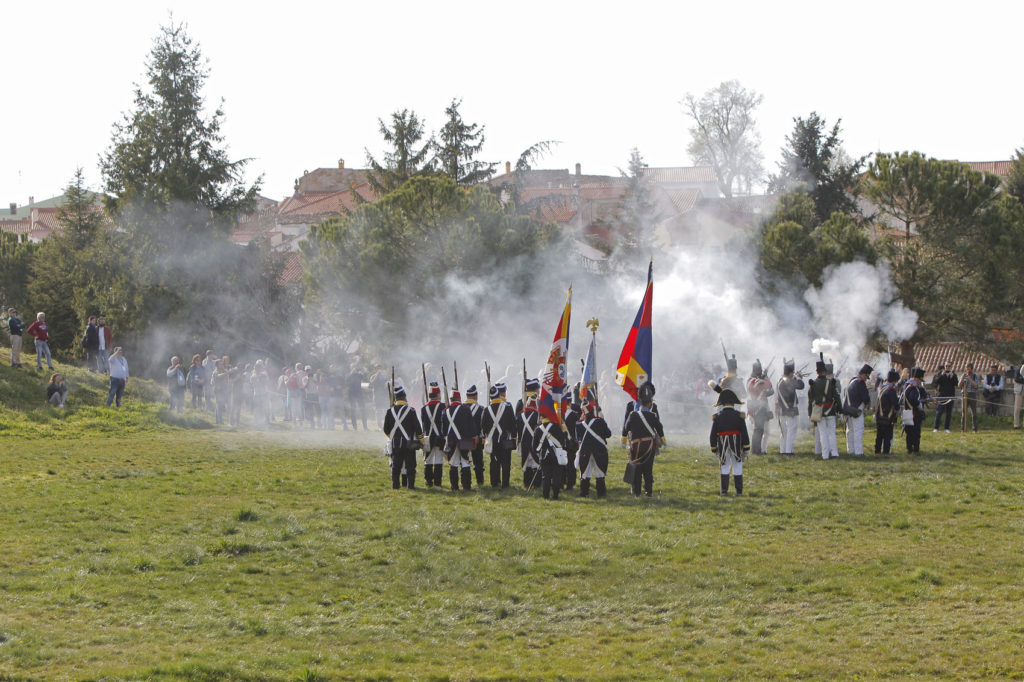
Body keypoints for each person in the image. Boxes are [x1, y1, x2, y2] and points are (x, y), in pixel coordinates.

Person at [624, 381, 665, 497]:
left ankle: (637, 493)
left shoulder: (632, 415)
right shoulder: (653, 416)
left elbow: (626, 428)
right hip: (649, 447)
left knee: (637, 470)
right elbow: (660, 429)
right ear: (650, 402)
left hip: (635, 446)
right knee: (648, 470)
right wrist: (663, 440)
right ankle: (648, 493)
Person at [710, 388, 750, 495]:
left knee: (724, 466)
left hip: (722, 445)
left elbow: (713, 434)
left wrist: (714, 447)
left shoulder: (717, 417)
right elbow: (744, 433)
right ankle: (739, 491)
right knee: (737, 466)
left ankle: (724, 491)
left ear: (722, 403)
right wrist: (746, 447)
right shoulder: (739, 416)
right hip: (736, 445)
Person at [383, 385, 423, 490]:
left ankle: (395, 486)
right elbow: (418, 429)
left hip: (396, 443)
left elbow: (386, 429)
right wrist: (421, 441)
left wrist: (393, 437)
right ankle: (410, 486)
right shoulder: (411, 411)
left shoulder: (389, 411)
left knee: (396, 466)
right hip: (409, 443)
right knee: (410, 466)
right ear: (404, 397)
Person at [480, 383, 517, 489]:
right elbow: (512, 424)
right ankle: (505, 484)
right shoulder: (507, 408)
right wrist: (514, 436)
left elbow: (483, 426)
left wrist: (487, 436)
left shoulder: (486, 410)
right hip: (505, 439)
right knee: (506, 463)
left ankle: (494, 482)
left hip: (493, 440)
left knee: (494, 462)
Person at [575, 398, 611, 498]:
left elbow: (578, 438)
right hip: (599, 451)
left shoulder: (579, 425)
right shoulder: (600, 421)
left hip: (585, 451)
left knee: (585, 474)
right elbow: (608, 434)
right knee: (599, 473)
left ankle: (584, 494)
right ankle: (601, 494)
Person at [807, 356, 840, 459]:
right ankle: (834, 453)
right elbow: (837, 397)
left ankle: (825, 455)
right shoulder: (831, 383)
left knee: (823, 434)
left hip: (819, 412)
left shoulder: (813, 385)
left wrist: (809, 413)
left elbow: (810, 401)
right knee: (832, 433)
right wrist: (839, 408)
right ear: (825, 372)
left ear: (817, 372)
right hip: (830, 411)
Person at [445, 389, 478, 491]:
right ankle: (466, 486)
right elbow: (471, 426)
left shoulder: (445, 411)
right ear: (459, 398)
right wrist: (474, 437)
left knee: (453, 464)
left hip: (451, 441)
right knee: (465, 463)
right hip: (466, 440)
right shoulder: (466, 409)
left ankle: (454, 487)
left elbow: (444, 430)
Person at [420, 382, 448, 488]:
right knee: (438, 459)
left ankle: (428, 481)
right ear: (438, 394)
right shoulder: (443, 406)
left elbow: (423, 423)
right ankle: (437, 482)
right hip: (440, 437)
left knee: (428, 460)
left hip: (428, 437)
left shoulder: (424, 408)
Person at [534, 413, 567, 500]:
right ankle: (555, 496)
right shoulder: (556, 427)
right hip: (556, 455)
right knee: (556, 476)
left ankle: (546, 496)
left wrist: (538, 452)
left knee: (546, 476)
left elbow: (534, 446)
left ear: (541, 417)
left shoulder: (538, 429)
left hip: (544, 455)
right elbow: (562, 441)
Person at [775, 359, 804, 455]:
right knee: (791, 431)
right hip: (790, 409)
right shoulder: (789, 381)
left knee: (784, 432)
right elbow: (801, 385)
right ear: (790, 372)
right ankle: (788, 451)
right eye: (792, 372)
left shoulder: (780, 380)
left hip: (782, 410)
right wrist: (798, 378)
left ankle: (783, 450)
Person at [745, 359, 774, 454]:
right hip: (759, 407)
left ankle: (759, 449)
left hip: (754, 406)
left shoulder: (750, 380)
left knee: (760, 430)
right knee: (759, 430)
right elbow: (768, 385)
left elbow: (770, 390)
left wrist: (764, 377)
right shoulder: (756, 381)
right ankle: (756, 450)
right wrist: (766, 377)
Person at [844, 364, 873, 456]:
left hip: (849, 409)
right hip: (857, 410)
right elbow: (865, 398)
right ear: (863, 374)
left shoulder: (852, 381)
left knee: (850, 430)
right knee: (858, 430)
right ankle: (858, 451)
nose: (866, 378)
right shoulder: (860, 383)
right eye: (866, 376)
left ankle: (850, 450)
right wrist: (868, 404)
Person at [463, 385, 486, 485]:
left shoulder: (461, 408)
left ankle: (465, 482)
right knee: (478, 462)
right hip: (477, 438)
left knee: (464, 461)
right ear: (476, 396)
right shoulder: (481, 409)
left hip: (465, 439)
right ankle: (480, 481)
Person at [518, 393, 542, 489]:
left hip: (524, 443)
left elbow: (519, 431)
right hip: (535, 443)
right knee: (535, 464)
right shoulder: (538, 416)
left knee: (527, 463)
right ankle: (536, 484)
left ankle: (527, 483)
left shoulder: (521, 416)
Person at [902, 367, 927, 453]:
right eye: (920, 379)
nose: (920, 381)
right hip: (914, 413)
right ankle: (915, 449)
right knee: (915, 432)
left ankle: (909, 448)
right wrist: (919, 406)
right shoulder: (913, 387)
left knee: (909, 432)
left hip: (907, 412)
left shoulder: (907, 385)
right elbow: (914, 400)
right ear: (916, 378)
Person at [874, 369, 900, 454]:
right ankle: (886, 451)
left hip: (879, 415)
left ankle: (877, 450)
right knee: (887, 435)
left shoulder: (882, 387)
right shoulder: (891, 390)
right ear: (894, 381)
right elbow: (895, 404)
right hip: (888, 416)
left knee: (879, 435)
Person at [931, 364, 958, 433]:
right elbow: (936, 382)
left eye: (949, 366)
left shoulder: (954, 375)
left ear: (951, 367)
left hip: (950, 396)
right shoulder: (940, 374)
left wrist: (953, 377)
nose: (947, 367)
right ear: (944, 367)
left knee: (948, 413)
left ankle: (947, 428)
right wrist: (941, 375)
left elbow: (956, 384)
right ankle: (936, 428)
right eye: (946, 366)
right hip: (942, 396)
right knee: (939, 412)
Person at [959, 364, 981, 432]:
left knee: (974, 412)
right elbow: (959, 385)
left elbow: (976, 386)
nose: (968, 370)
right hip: (964, 394)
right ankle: (963, 429)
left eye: (969, 369)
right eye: (967, 369)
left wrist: (970, 379)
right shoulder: (963, 376)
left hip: (972, 394)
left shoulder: (975, 376)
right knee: (964, 412)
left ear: (972, 369)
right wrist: (962, 378)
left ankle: (975, 429)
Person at [347, 364, 368, 430]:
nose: (354, 368)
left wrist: (364, 372)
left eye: (354, 367)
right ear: (350, 368)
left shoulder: (359, 375)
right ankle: (355, 427)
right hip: (351, 394)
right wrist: (351, 373)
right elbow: (346, 381)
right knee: (353, 411)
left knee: (363, 410)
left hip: (359, 394)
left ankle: (365, 427)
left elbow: (365, 378)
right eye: (352, 367)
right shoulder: (348, 375)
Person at [1013, 360, 1024, 429]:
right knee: (1017, 408)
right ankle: (1016, 424)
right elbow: (1017, 379)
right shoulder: (1018, 370)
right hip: (1019, 391)